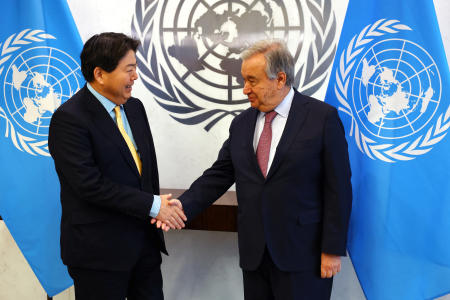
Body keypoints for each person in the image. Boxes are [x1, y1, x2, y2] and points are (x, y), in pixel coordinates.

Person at [157, 40, 352, 300]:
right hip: (254, 255)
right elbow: (219, 175)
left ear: (280, 79)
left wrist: (331, 249)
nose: (245, 89)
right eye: (244, 80)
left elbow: (338, 188)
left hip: (304, 255)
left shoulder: (322, 118)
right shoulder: (242, 123)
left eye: (252, 80)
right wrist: (181, 207)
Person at [48, 32, 186, 300]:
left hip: (144, 248)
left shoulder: (135, 108)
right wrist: (154, 205)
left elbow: (146, 171)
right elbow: (90, 185)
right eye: (129, 70)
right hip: (98, 255)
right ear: (100, 74)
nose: (135, 77)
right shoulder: (69, 119)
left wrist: (159, 209)